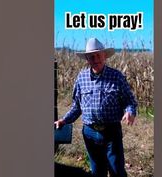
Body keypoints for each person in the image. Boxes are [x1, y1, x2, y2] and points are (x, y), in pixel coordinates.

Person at [54, 38, 137, 177]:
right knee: (97, 172)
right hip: (90, 133)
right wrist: (64, 120)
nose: (95, 59)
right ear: (87, 58)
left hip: (111, 132)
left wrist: (130, 111)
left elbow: (130, 101)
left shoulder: (117, 76)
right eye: (91, 56)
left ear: (104, 55)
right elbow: (76, 107)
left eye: (98, 55)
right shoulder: (81, 78)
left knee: (117, 171)